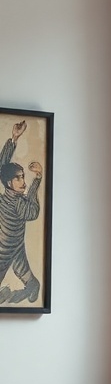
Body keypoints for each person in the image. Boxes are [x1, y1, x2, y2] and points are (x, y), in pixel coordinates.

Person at [0, 119, 42, 304]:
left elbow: (32, 212)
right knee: (23, 271)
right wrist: (13, 138)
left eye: (24, 177)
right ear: (9, 183)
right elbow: (3, 169)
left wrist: (37, 180)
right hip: (5, 248)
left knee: (22, 269)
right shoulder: (11, 199)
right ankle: (32, 286)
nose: (23, 182)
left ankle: (32, 287)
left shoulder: (17, 201)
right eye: (19, 178)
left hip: (9, 248)